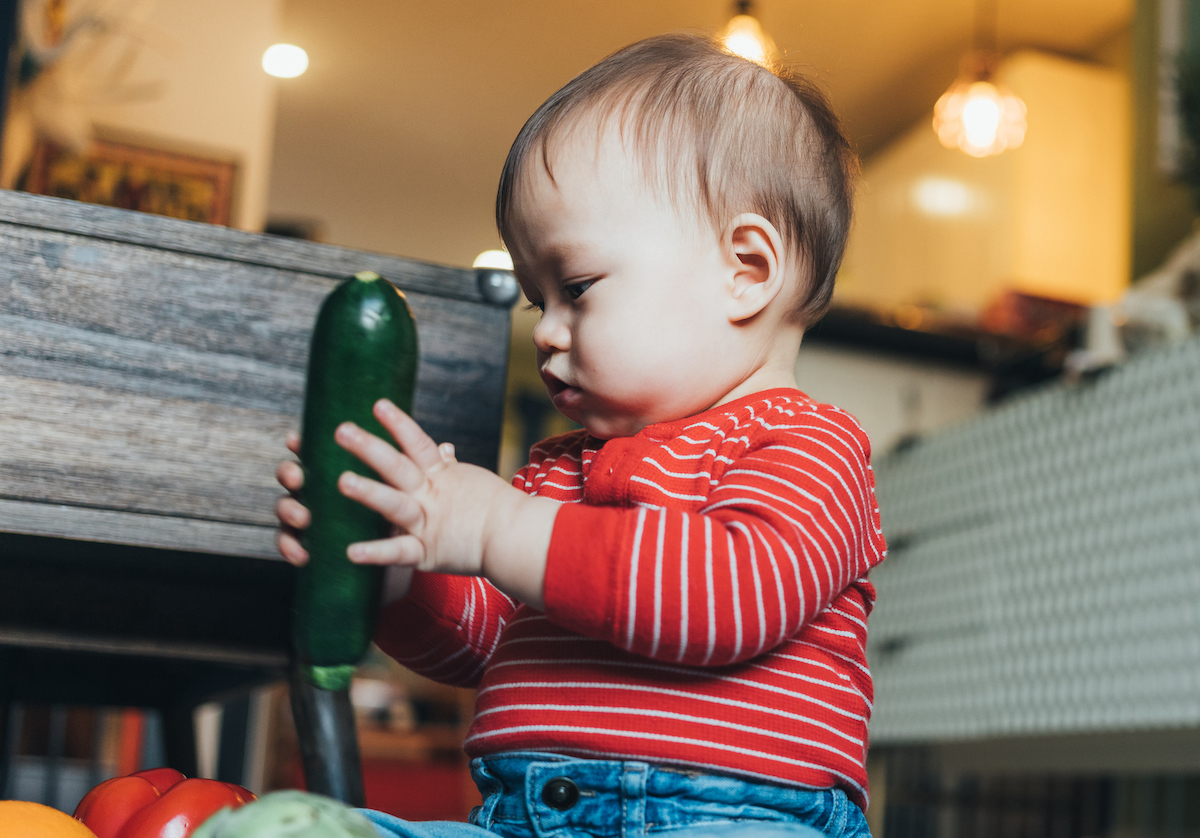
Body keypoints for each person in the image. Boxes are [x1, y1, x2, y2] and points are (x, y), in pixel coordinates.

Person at [275, 32, 886, 838]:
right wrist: (398, 567)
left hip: (732, 819)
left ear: (746, 269)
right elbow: (481, 643)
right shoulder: (557, 474)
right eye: (539, 300)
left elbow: (728, 596)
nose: (547, 331)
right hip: (522, 819)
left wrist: (494, 527)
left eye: (578, 286)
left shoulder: (810, 445)